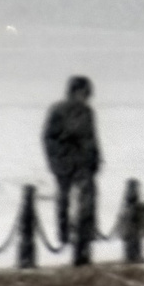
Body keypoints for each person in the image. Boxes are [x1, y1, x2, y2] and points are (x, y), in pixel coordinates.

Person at [40, 75, 102, 249]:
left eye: (87, 94)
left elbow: (92, 137)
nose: (85, 97)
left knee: (89, 196)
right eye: (83, 93)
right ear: (74, 92)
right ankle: (64, 234)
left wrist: (95, 158)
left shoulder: (87, 112)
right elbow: (49, 138)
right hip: (64, 163)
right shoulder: (58, 111)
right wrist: (58, 159)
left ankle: (86, 231)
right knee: (64, 198)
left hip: (84, 163)